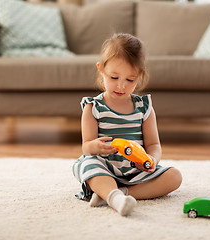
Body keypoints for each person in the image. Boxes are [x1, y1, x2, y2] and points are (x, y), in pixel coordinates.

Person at [72, 33, 182, 216]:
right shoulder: (93, 107)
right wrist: (95, 146)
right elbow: (86, 147)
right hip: (105, 167)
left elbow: (154, 145)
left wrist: (152, 160)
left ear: (139, 76)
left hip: (136, 172)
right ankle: (113, 196)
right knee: (88, 164)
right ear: (101, 69)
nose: (121, 86)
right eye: (114, 77)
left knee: (174, 177)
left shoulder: (144, 108)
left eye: (129, 80)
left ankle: (120, 194)